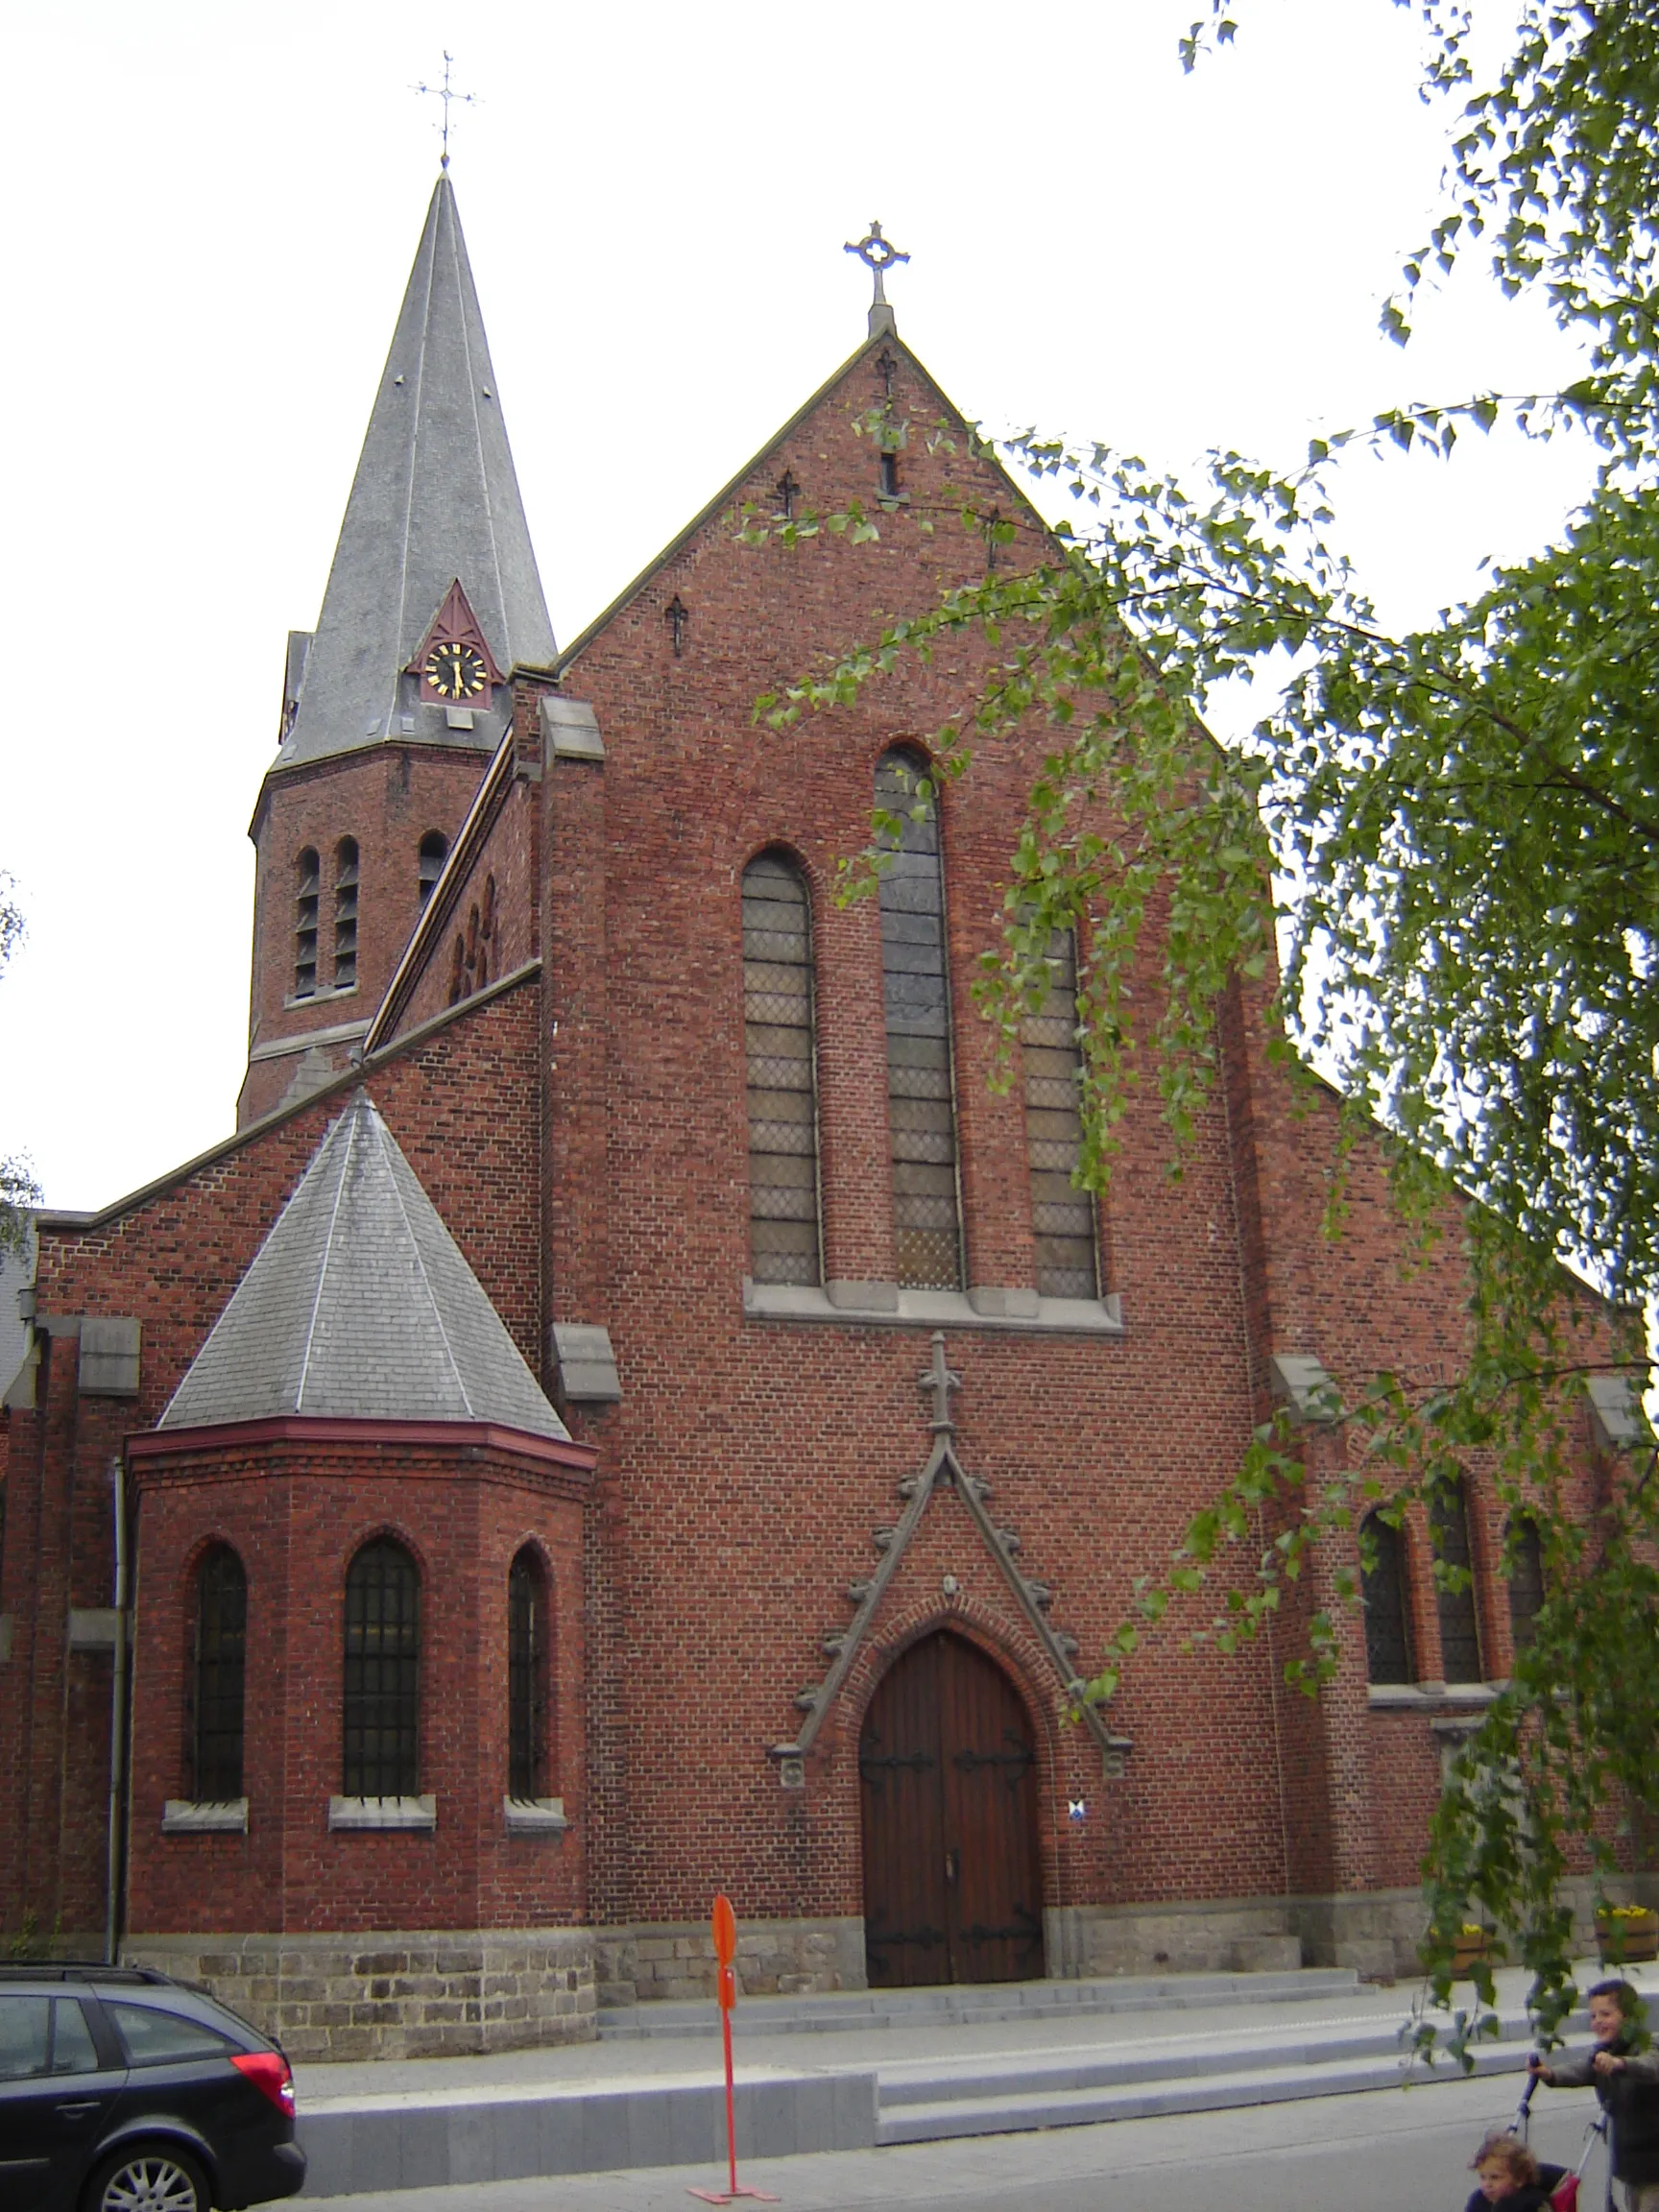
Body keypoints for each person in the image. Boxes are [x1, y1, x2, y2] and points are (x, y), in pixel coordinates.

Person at [1530, 1978, 1659, 2212]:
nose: (1598, 2022)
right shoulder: (1604, 2052)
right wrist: (1550, 2074)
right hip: (1632, 2166)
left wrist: (1620, 2064)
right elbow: (1584, 2069)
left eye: (1606, 2014)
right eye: (1593, 2016)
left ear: (1629, 2016)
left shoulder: (1648, 2045)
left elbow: (1651, 2066)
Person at [1464, 2130, 1552, 2211]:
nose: (1487, 2184)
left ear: (1519, 2179)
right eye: (1482, 2177)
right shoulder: (1478, 2202)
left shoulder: (1532, 2202)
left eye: (1495, 2177)